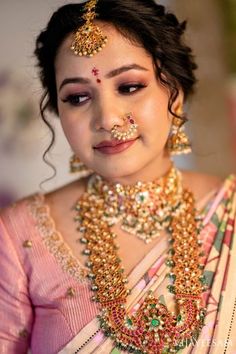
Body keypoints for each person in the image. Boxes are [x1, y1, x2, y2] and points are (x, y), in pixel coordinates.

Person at [0, 0, 235, 353]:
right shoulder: (18, 236)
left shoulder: (230, 209)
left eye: (128, 87)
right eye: (78, 97)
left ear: (175, 89)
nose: (107, 118)